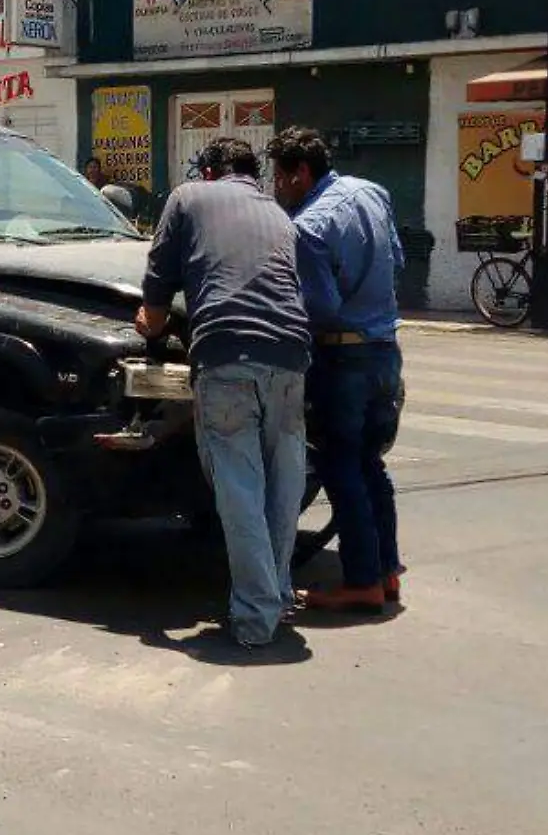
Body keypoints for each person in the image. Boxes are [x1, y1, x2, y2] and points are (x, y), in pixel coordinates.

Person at [136, 136, 314, 649]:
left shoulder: (188, 197)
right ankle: (275, 596)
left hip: (227, 354)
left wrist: (149, 326)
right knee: (282, 487)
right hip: (290, 355)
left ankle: (256, 617)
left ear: (209, 172)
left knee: (239, 489)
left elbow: (156, 292)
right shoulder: (279, 214)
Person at [265, 127, 406, 615]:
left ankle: (362, 581)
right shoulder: (373, 193)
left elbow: (319, 309)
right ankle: (387, 572)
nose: (277, 189)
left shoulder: (308, 226)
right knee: (371, 464)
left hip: (342, 356)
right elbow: (399, 260)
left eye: (280, 179)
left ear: (301, 173)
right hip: (386, 350)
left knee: (340, 466)